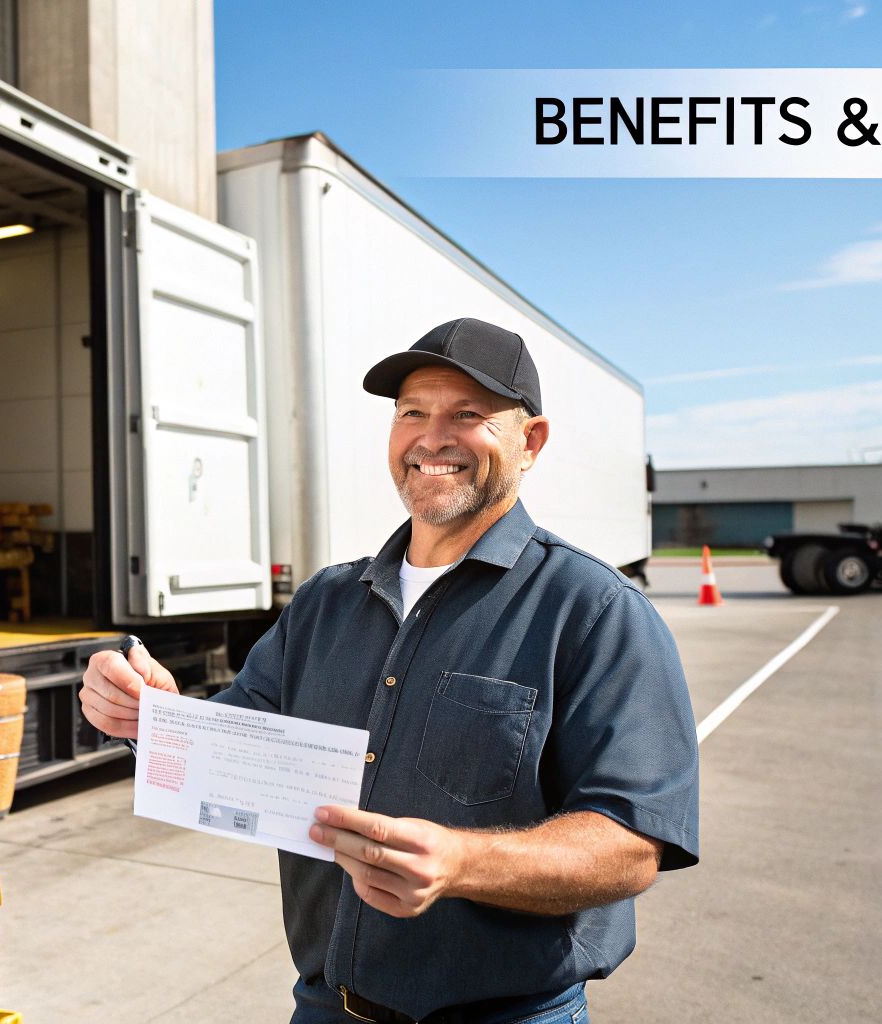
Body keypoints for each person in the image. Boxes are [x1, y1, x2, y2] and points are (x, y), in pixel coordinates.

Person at [81, 317, 700, 1024]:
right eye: (412, 413)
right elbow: (234, 744)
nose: (432, 438)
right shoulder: (324, 603)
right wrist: (155, 717)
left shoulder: (593, 612)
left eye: (467, 414)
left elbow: (630, 845)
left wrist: (462, 863)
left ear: (530, 442)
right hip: (327, 1007)